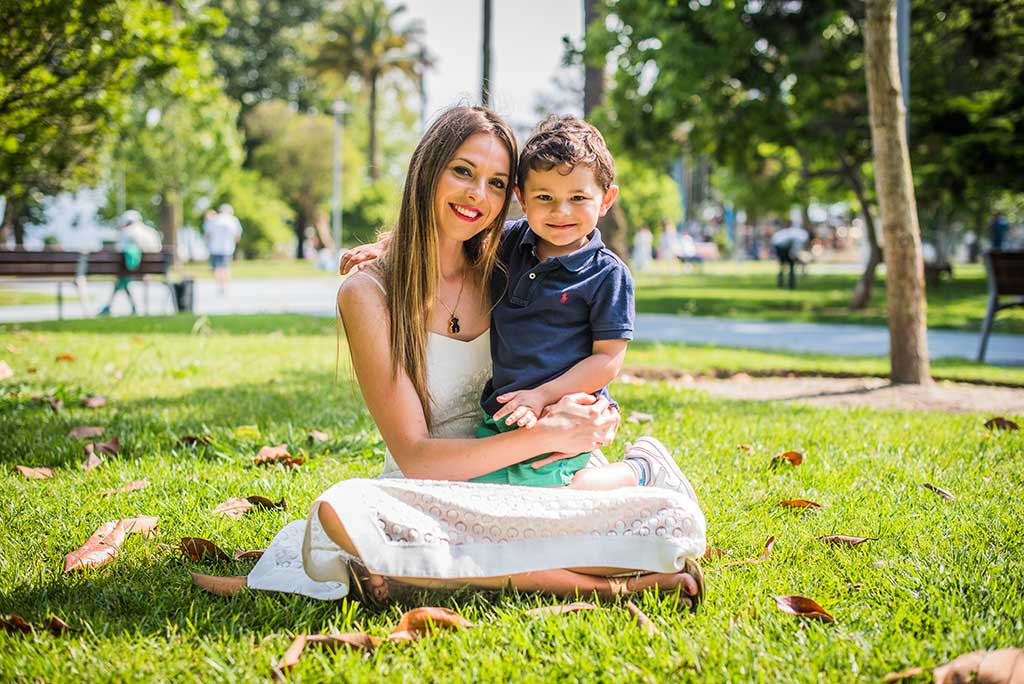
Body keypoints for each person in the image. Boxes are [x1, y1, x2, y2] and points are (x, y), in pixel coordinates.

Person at [245, 106, 705, 609]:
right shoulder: (369, 293)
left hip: (541, 482)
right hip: (434, 493)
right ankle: (608, 587)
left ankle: (423, 573)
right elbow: (416, 458)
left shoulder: (504, 266)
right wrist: (545, 432)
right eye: (462, 172)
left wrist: (586, 416)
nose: (476, 195)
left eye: (495, 182)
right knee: (346, 508)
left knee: (672, 521)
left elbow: (593, 353)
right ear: (428, 171)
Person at [97, 210, 162, 316]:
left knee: (121, 279)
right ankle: (130, 307)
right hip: (151, 270)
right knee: (122, 281)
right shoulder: (151, 232)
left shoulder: (127, 232)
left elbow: (119, 249)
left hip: (130, 269)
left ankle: (109, 306)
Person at [203, 204, 242, 293]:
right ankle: (225, 286)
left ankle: (220, 285)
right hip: (228, 248)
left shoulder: (214, 219)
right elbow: (237, 236)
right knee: (226, 267)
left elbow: (207, 234)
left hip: (214, 247)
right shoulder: (233, 220)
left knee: (217, 268)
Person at [771, 221, 809, 290]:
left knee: (786, 267)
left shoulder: (797, 234)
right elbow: (794, 248)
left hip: (782, 247)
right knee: (785, 267)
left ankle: (789, 284)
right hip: (781, 248)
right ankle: (786, 284)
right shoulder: (800, 236)